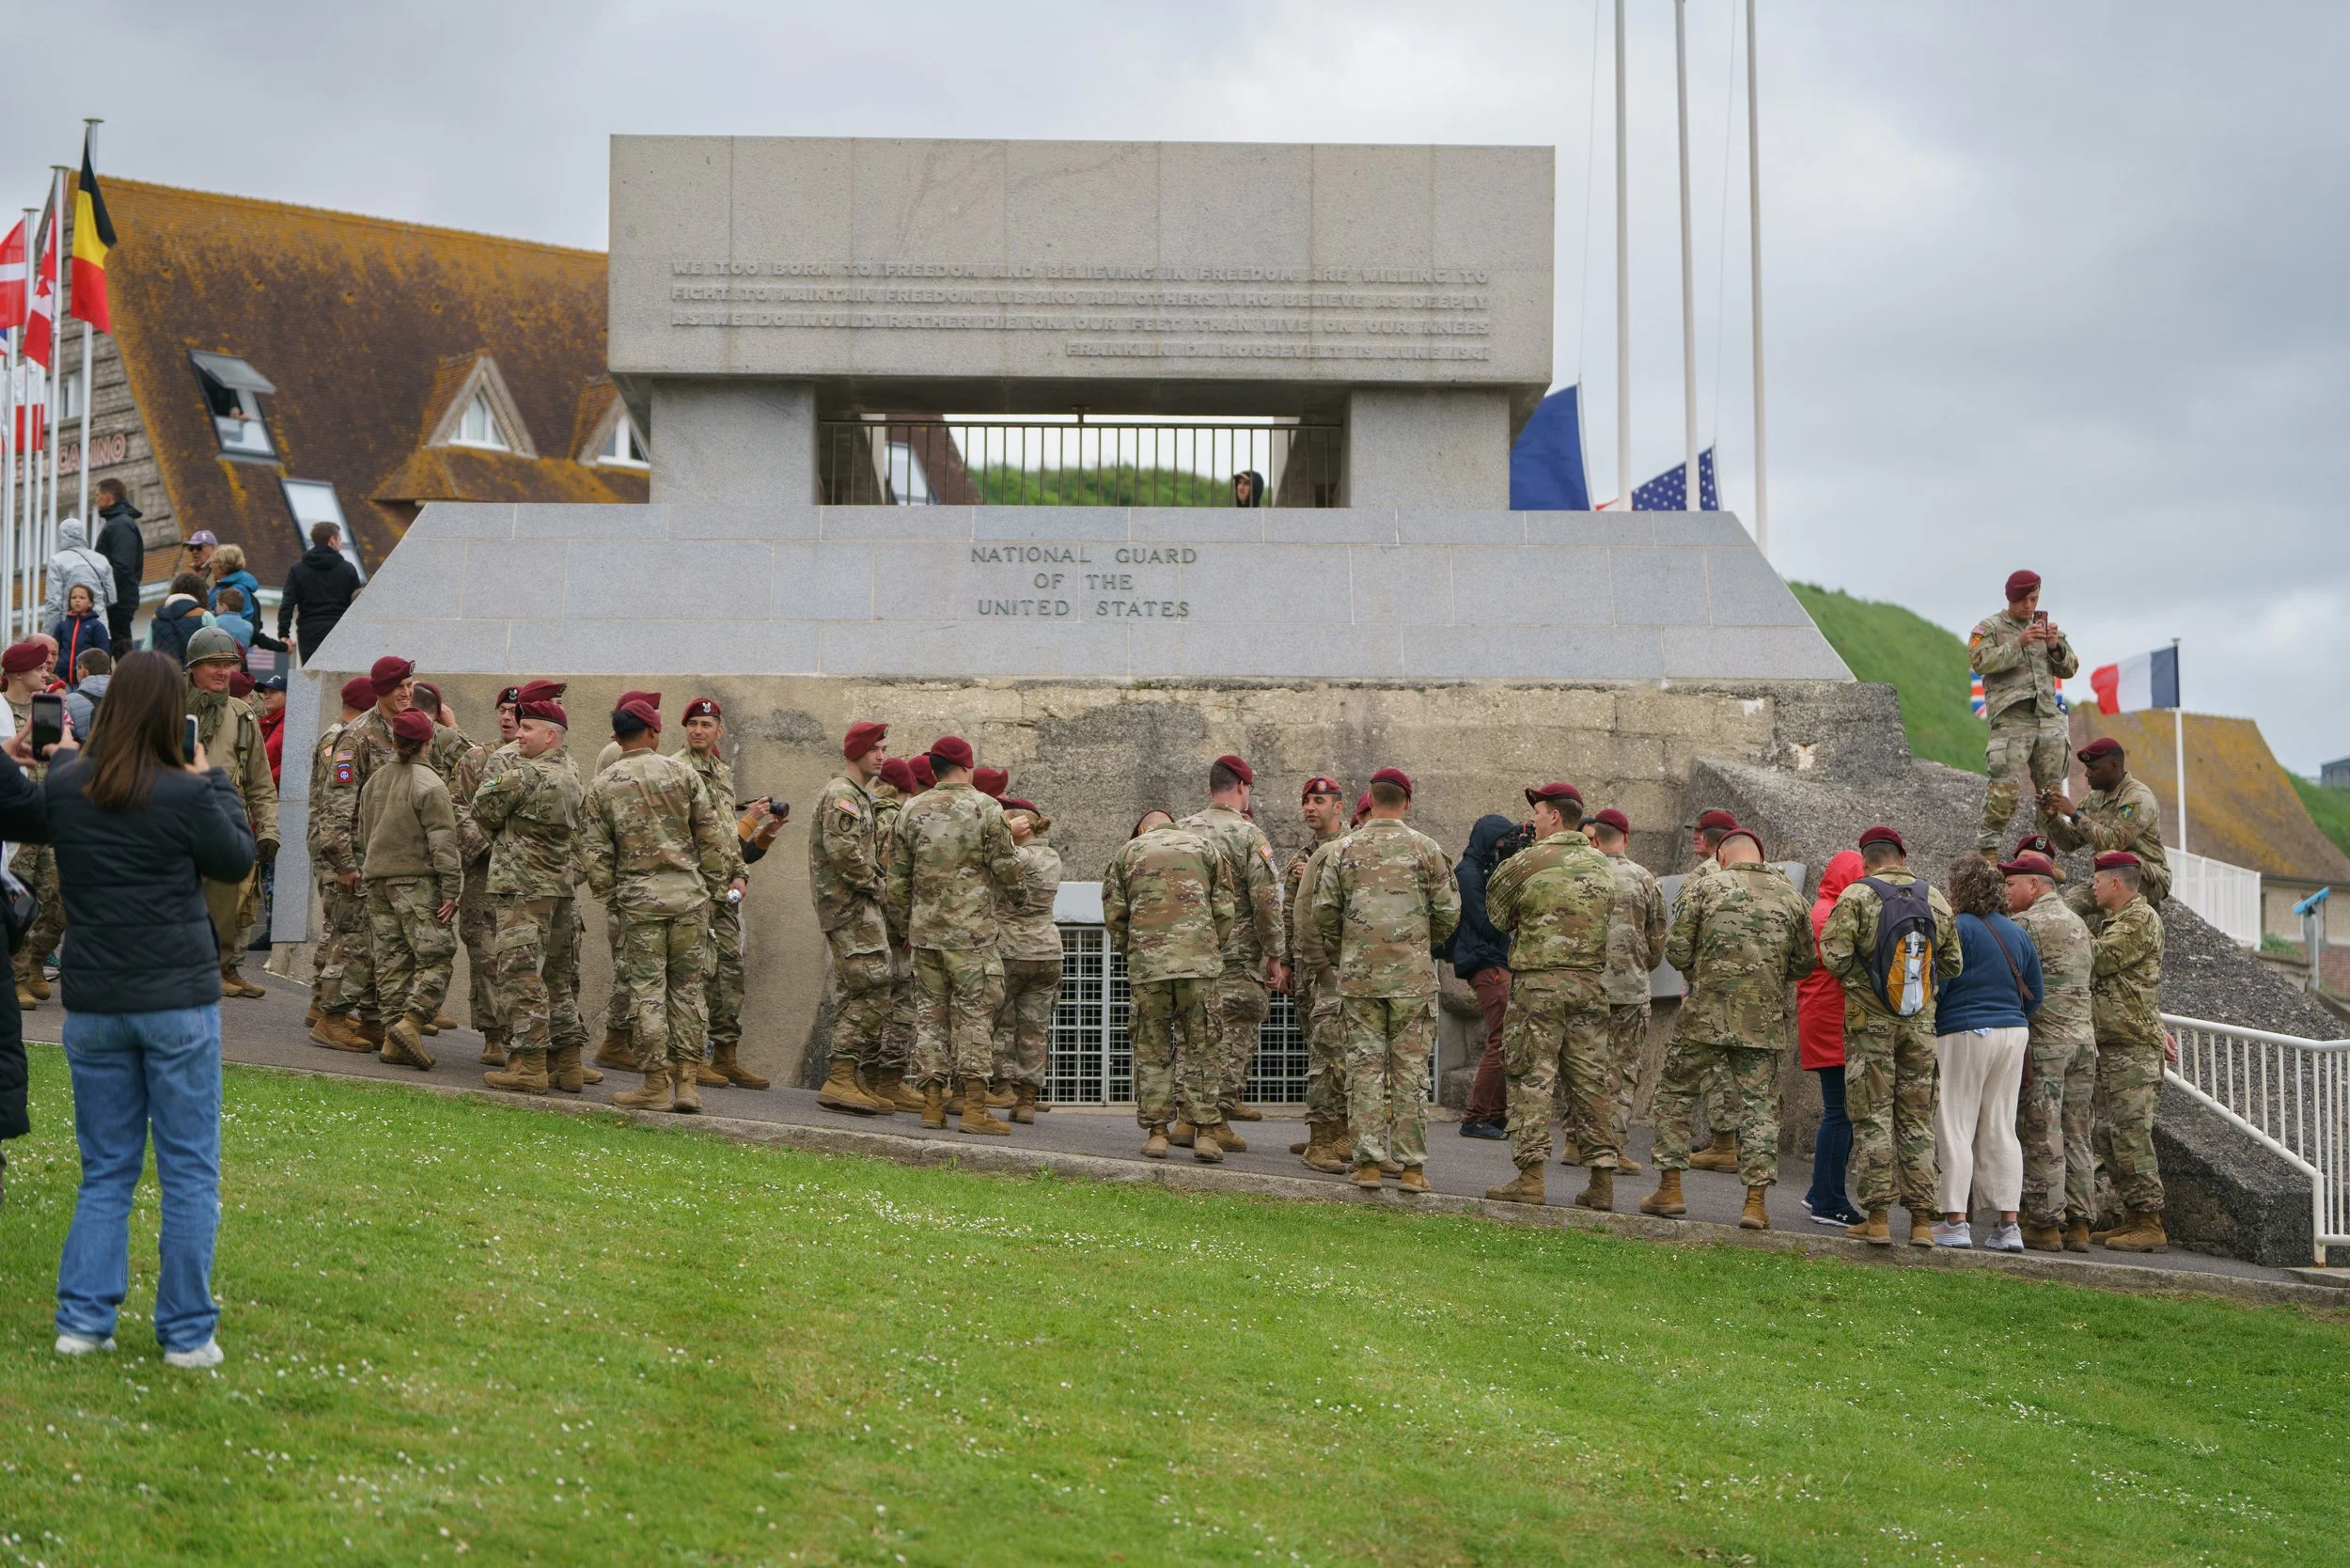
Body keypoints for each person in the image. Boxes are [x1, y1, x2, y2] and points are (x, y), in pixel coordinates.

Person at [33, 650, 256, 1368]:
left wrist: (51, 755)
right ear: (172, 717)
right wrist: (212, 776)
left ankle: (83, 1322)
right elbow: (235, 858)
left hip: (96, 1000)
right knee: (189, 1171)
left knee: (107, 1171)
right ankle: (187, 1334)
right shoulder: (189, 791)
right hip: (176, 999)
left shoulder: (68, 783)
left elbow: (45, 794)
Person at [1641, 827, 1816, 1231]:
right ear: (1762, 855)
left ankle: (1670, 1189)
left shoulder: (1706, 886)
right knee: (1760, 1109)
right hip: (1762, 1022)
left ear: (1721, 856)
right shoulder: (1791, 896)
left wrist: (1705, 973)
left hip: (1703, 1013)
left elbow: (1678, 948)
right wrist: (1765, 981)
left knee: (1677, 1095)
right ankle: (1754, 1204)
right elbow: (1806, 962)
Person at [581, 697, 737, 1114]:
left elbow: (594, 853)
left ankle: (655, 1083)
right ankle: (687, 1083)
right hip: (689, 898)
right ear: (654, 732)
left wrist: (613, 898)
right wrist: (712, 888)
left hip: (639, 902)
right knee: (688, 990)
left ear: (617, 736)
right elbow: (712, 836)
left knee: (647, 991)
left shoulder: (603, 784)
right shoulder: (684, 774)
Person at [1309, 767, 1459, 1193]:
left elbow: (1324, 911)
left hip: (1360, 979)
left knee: (1365, 1069)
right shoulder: (1427, 849)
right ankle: (1412, 1169)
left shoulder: (1344, 849)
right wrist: (1419, 944)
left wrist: (1351, 948)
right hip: (1412, 979)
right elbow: (1449, 912)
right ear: (1407, 802)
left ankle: (1369, 1164)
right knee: (1411, 1072)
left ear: (1369, 801)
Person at [1819, 826, 1963, 1247]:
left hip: (1870, 1026)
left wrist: (1866, 986)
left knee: (1872, 1116)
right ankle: (1921, 1222)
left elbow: (1833, 957)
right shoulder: (1934, 898)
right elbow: (1953, 964)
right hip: (1920, 1025)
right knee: (1918, 1119)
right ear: (1903, 855)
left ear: (1866, 860)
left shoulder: (1856, 896)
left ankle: (1878, 1218)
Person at [1480, 783, 1618, 1210]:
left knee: (1531, 1077)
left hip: (1539, 983)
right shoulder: (1602, 864)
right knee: (1591, 1080)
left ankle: (1531, 1176)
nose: (1533, 820)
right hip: (1589, 985)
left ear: (1555, 816)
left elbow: (1498, 916)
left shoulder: (1526, 861)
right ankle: (1601, 1182)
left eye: (1538, 812)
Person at [883, 735, 1023, 1135]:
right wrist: (1019, 896)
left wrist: (904, 926)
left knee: (930, 1019)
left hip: (926, 937)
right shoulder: (985, 807)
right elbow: (1007, 868)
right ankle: (975, 1109)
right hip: (972, 938)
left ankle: (931, 1105)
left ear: (933, 769)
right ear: (968, 765)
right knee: (975, 1019)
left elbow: (897, 882)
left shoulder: (911, 809)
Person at [469, 685, 588, 1093]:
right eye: (519, 728)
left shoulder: (521, 773)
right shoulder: (571, 772)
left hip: (521, 889)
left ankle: (530, 1065)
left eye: (528, 729)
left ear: (550, 736)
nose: (519, 735)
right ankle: (569, 1063)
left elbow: (480, 809)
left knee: (520, 975)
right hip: (559, 888)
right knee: (557, 976)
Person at [1103, 808, 1232, 1159]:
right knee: (1203, 1048)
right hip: (1199, 966)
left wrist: (1135, 950)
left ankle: (1158, 1133)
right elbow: (1224, 908)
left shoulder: (1127, 853)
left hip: (1150, 966)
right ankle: (1205, 1133)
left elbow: (1115, 915)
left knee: (1152, 1048)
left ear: (1142, 829)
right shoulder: (1206, 848)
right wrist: (1207, 947)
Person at [1929, 855, 2043, 1251]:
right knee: (2000, 1125)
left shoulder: (1956, 928)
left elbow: (1937, 985)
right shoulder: (2017, 933)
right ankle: (2008, 1225)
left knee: (1955, 1123)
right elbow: (2036, 993)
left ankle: (1955, 1222)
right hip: (2013, 1032)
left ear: (1958, 889)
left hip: (1962, 1030)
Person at [308, 656, 422, 1050]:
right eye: (399, 687)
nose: (407, 693)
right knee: (354, 939)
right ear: (381, 691)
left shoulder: (404, 730)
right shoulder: (357, 737)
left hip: (388, 857)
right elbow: (336, 803)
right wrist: (343, 861)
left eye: (410, 685)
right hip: (358, 857)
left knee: (386, 942)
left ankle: (373, 1021)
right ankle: (333, 1018)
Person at [1180, 755, 1288, 1129]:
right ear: (1242, 788)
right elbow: (1266, 902)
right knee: (1231, 1037)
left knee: (1190, 1035)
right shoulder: (1247, 835)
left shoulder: (1180, 831)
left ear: (1211, 789)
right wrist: (1275, 955)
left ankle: (1182, 1119)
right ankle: (1216, 1123)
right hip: (1236, 959)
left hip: (1185, 955)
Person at [2001, 850, 2098, 1252]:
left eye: (2011, 884)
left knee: (2043, 1131)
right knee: (2077, 1132)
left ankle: (2043, 1224)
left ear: (2034, 886)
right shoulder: (2078, 922)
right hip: (2083, 1043)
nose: (2005, 891)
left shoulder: (2027, 924)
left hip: (2048, 1044)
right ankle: (2078, 1223)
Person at [356, 709, 461, 1069]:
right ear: (428, 742)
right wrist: (451, 888)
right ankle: (412, 1022)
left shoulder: (376, 781)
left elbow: (363, 832)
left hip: (377, 882)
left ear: (395, 742)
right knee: (437, 957)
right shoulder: (430, 785)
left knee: (391, 962)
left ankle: (392, 1039)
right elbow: (443, 842)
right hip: (416, 883)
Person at [674, 697, 766, 1089]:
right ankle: (690, 1060)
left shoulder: (721, 772)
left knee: (730, 970)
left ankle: (726, 1055)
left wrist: (741, 873)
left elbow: (728, 830)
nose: (698, 730)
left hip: (723, 890)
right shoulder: (676, 769)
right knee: (694, 974)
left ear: (719, 731)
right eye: (693, 723)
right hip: (691, 887)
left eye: (706, 724)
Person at [183, 626, 278, 1001]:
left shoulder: (242, 715)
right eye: (214, 665)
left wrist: (269, 828)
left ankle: (226, 966)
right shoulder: (169, 706)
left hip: (225, 818)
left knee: (237, 899)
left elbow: (259, 782)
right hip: (178, 816)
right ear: (194, 667)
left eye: (229, 665)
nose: (223, 672)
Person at [808, 720, 895, 1115]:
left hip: (855, 905)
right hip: (850, 905)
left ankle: (849, 1075)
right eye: (875, 749)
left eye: (883, 748)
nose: (882, 755)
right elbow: (845, 853)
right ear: (856, 751)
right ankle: (840, 1076)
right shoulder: (842, 795)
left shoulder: (856, 794)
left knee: (858, 990)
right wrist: (879, 886)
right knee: (875, 987)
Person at [2087, 851, 2170, 1252]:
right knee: (2107, 1134)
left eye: (2098, 880)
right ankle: (2134, 1218)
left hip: (2134, 1048)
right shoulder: (2115, 921)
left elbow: (2100, 959)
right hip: (2114, 1044)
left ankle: (2150, 1222)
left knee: (2132, 1136)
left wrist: (2064, 922)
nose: (2092, 886)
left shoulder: (2140, 919)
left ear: (2116, 883)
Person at [1970, 569, 2078, 855]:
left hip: (2047, 717)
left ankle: (2043, 853)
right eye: (2023, 601)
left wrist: (2055, 647)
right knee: (2004, 789)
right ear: (2011, 599)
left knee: (2051, 793)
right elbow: (1981, 661)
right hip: (2011, 718)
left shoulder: (2044, 630)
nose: (2029, 606)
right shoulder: (1990, 628)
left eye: (2033, 599)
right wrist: (2018, 644)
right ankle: (1988, 851)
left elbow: (2070, 668)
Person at [448, 686, 524, 1068]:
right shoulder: (477, 758)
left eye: (515, 711)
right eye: (502, 710)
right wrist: (488, 845)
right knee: (485, 955)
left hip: (525, 876)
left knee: (523, 958)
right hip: (484, 873)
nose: (507, 717)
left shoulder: (538, 758)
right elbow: (458, 805)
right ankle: (493, 1036)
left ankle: (525, 1038)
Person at [1590, 808, 1665, 1177]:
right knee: (1623, 1068)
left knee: (1584, 1064)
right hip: (1630, 989)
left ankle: (1578, 1140)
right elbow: (1657, 943)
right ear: (1626, 837)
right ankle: (1613, 1147)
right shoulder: (1644, 878)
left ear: (1595, 838)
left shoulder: (1585, 872)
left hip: (1587, 986)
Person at [1285, 777, 1354, 1169]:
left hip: (1336, 965)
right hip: (1307, 968)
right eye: (1307, 801)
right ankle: (1327, 1130)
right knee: (1320, 1050)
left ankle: (1336, 1135)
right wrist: (1283, 961)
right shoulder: (1300, 855)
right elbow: (1288, 912)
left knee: (1338, 1053)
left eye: (1319, 800)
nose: (1311, 807)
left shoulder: (1351, 849)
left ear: (1338, 807)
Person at [1796, 850, 1868, 1227]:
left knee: (1839, 1113)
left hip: (1821, 1019)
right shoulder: (1834, 915)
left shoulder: (1819, 909)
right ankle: (1829, 1200)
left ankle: (1819, 1191)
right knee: (1840, 1115)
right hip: (1833, 1024)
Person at [304, 678, 375, 1043]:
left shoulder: (344, 735)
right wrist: (342, 857)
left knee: (339, 925)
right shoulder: (340, 740)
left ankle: (322, 1003)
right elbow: (337, 801)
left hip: (335, 843)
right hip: (334, 846)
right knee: (342, 926)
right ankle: (324, 1006)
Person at [1682, 808, 1747, 1173]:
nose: (1695, 837)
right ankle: (1731, 1141)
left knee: (1716, 1065)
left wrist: (1689, 982)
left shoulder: (1704, 876)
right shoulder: (1761, 873)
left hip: (1710, 984)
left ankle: (1724, 1144)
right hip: (1753, 988)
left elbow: (1684, 936)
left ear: (1714, 839)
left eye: (1700, 832)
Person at [2043, 737, 2172, 917]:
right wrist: (2053, 818)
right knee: (2070, 906)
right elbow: (2070, 843)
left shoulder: (2137, 798)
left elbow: (2113, 843)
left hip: (2149, 876)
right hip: (2110, 874)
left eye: (2093, 768)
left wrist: (2074, 814)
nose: (2087, 774)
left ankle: (2133, 923)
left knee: (2113, 863)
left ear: (2114, 765)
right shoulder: (2095, 798)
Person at [4, 642, 67, 1009]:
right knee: (20, 896)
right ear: (17, 673)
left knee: (58, 899)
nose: (47, 673)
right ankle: (15, 976)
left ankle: (37, 964)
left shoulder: (50, 709)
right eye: (39, 668)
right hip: (16, 817)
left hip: (48, 813)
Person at [992, 797, 1062, 1123]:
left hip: (1009, 949)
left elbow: (989, 851)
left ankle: (984, 1089)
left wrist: (1002, 830)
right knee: (1035, 1028)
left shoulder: (1017, 856)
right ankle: (1027, 1100)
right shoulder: (1052, 856)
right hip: (1047, 951)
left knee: (988, 1022)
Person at [1450, 813, 1518, 1141]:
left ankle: (1494, 1114)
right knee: (1501, 1038)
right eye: (1502, 840)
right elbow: (1488, 924)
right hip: (1486, 964)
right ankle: (1476, 1117)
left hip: (1494, 963)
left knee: (1505, 1039)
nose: (1505, 846)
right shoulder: (1468, 873)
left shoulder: (1485, 870)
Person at [276, 522, 363, 666]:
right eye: (340, 539)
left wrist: (284, 634)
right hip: (339, 630)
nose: (341, 544)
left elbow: (287, 603)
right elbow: (358, 603)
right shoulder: (348, 569)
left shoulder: (297, 569)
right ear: (332, 540)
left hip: (309, 632)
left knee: (312, 678)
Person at [91, 478, 146, 655]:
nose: (96, 499)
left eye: (98, 495)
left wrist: (105, 593)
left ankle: (129, 680)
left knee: (120, 647)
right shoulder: (117, 523)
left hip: (117, 599)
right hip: (117, 597)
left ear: (108, 498)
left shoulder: (120, 524)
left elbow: (123, 566)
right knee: (117, 645)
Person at [39, 517, 118, 633]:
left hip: (71, 630)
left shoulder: (57, 561)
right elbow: (111, 598)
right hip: (100, 627)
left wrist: (48, 636)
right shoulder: (101, 560)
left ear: (62, 535)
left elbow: (54, 604)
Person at [147, 573, 213, 666]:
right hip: (194, 677)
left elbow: (146, 651)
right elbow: (214, 653)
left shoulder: (156, 618)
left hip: (164, 675)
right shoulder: (205, 615)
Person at [52, 584, 111, 680]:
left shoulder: (97, 626)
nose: (77, 600)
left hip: (86, 679)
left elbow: (103, 654)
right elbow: (54, 650)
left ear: (90, 603)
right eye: (73, 597)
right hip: (62, 679)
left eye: (82, 598)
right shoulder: (62, 625)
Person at [62, 648, 112, 746]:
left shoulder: (69, 701)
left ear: (83, 670)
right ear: (109, 671)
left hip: (85, 759)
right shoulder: (125, 696)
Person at [206, 544, 260, 619]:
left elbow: (238, 622)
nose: (210, 566)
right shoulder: (221, 585)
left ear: (223, 565)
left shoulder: (238, 589)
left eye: (214, 562)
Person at [254, 673, 287, 787]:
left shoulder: (289, 726)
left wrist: (262, 783)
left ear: (288, 695)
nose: (266, 696)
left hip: (275, 794)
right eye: (265, 693)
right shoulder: (267, 723)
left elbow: (289, 765)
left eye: (273, 692)